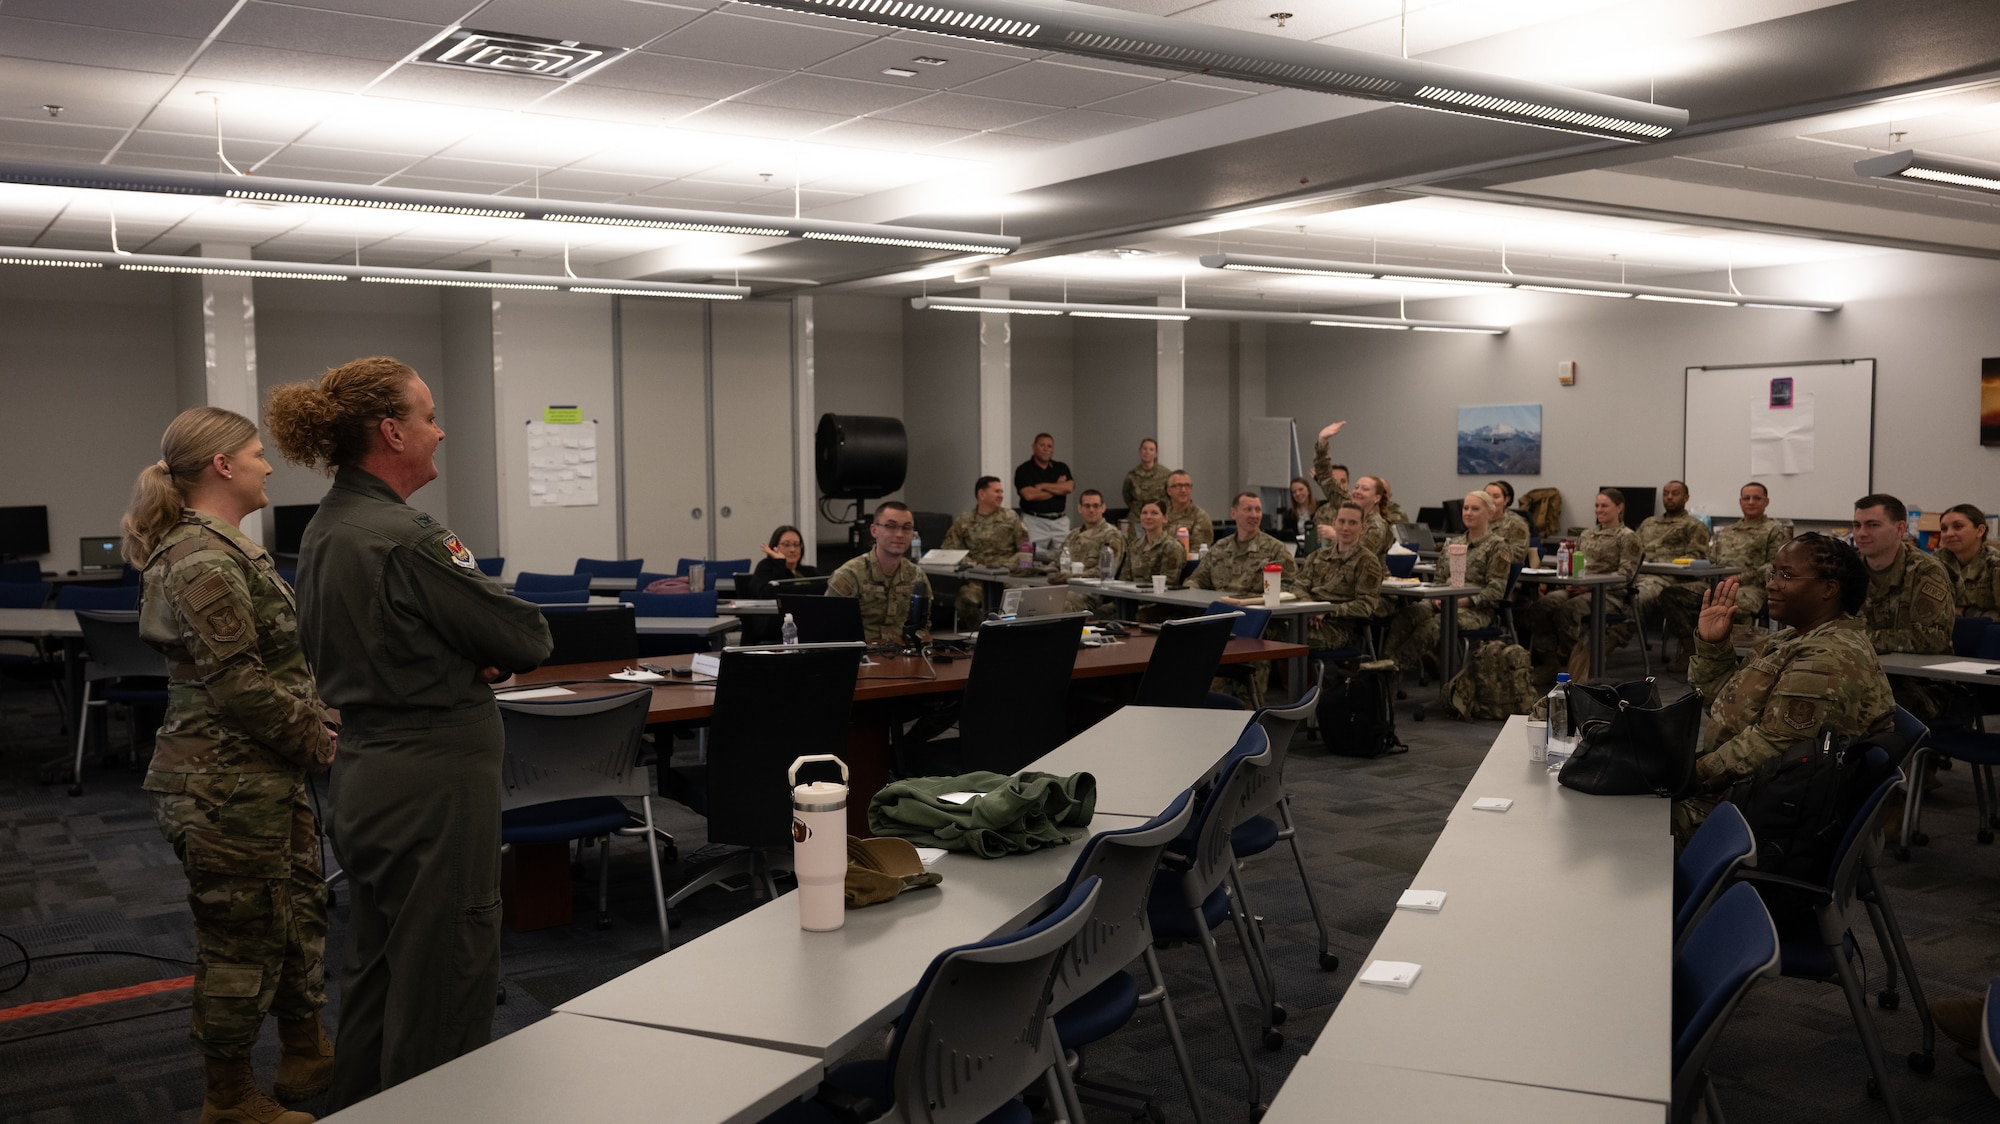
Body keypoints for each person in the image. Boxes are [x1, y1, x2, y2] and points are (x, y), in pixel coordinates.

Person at [267, 356, 553, 1110]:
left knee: (378, 973)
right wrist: (471, 656)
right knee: (444, 980)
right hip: (432, 784)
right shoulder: (406, 536)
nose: (440, 430)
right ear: (392, 432)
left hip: (364, 771)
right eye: (427, 417)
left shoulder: (328, 526)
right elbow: (526, 637)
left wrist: (456, 652)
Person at [124, 408, 336, 1124]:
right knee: (241, 942)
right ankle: (230, 1097)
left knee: (298, 914)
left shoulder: (229, 548)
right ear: (222, 467)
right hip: (222, 785)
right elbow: (241, 686)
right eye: (255, 453)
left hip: (263, 775)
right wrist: (321, 742)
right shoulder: (203, 559)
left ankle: (305, 1048)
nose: (267, 465)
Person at [1675, 536, 1895, 840]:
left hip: (1760, 809)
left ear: (1829, 589)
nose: (1772, 584)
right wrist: (1714, 646)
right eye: (1773, 574)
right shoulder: (1789, 639)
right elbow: (1724, 702)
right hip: (1742, 787)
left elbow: (1771, 747)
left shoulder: (1827, 658)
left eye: (1787, 576)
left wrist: (1686, 776)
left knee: (1633, 824)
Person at [1384, 491, 1512, 677]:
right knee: (1408, 614)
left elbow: (1495, 590)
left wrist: (1459, 602)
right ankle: (1384, 663)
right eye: (1465, 508)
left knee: (1435, 625)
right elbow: (1438, 580)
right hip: (1441, 601)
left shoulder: (1498, 546)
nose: (1468, 512)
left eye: (1475, 509)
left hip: (1475, 610)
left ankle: (1393, 669)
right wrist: (1437, 598)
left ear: (1489, 513)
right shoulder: (1453, 543)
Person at [1851, 493, 1954, 721]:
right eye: (1857, 525)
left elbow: (1931, 639)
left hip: (1924, 682)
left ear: (1899, 529)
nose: (1861, 533)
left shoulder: (1927, 571)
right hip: (1864, 672)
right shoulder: (1848, 569)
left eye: (1872, 525)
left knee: (1871, 710)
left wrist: (1861, 638)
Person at [1186, 491, 1296, 705]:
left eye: (1258, 510)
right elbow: (1196, 579)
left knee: (1256, 648)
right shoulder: (1220, 548)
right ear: (1234, 513)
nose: (1254, 515)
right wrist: (1196, 595)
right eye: (1248, 509)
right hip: (1221, 620)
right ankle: (1207, 707)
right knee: (1200, 647)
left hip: (1258, 624)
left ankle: (1249, 709)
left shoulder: (1274, 548)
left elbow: (1293, 585)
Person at [1524, 488, 1641, 682]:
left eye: (1605, 506)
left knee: (1568, 610)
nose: (1599, 510)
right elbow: (1575, 564)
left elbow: (1625, 575)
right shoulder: (1587, 534)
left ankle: (1576, 663)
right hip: (1578, 587)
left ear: (1619, 508)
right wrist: (1570, 581)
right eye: (1597, 505)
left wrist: (1589, 586)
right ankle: (1551, 662)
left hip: (1608, 594)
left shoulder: (1627, 537)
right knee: (1540, 607)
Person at [826, 501, 933, 643]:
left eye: (907, 528)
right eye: (891, 526)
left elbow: (923, 626)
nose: (900, 534)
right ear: (874, 530)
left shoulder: (917, 576)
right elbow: (831, 628)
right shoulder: (849, 575)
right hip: (861, 656)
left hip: (905, 653)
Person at [1633, 480, 1711, 666]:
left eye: (1674, 493)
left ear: (1686, 498)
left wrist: (1659, 562)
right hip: (1638, 575)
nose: (1669, 497)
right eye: (1666, 493)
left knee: (1636, 599)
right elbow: (1633, 549)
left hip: (1668, 577)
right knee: (1609, 595)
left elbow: (1695, 557)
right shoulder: (1649, 522)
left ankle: (1603, 647)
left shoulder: (1693, 525)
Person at [1294, 502, 1386, 651]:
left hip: (1340, 627)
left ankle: (1306, 674)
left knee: (1291, 641)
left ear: (1362, 528)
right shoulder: (1318, 555)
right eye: (1341, 521)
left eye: (1352, 523)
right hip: (1307, 618)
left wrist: (1328, 610)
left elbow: (1366, 605)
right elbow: (1297, 586)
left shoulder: (1367, 561)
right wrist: (1311, 608)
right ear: (1333, 523)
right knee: (1269, 633)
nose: (1345, 528)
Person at [941, 475, 1030, 629]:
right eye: (997, 491)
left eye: (1002, 491)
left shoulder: (1011, 517)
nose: (1001, 495)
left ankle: (1015, 635)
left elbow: (1026, 550)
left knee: (1026, 600)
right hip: (978, 578)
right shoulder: (965, 520)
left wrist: (1015, 567)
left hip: (1008, 575)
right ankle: (982, 633)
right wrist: (969, 563)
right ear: (982, 494)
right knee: (964, 601)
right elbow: (948, 549)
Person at [1711, 481, 1792, 633]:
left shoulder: (1774, 530)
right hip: (1718, 583)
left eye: (1757, 498)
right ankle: (1694, 647)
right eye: (1746, 498)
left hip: (1753, 587)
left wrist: (1740, 578)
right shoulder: (1727, 530)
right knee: (1678, 595)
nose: (1751, 502)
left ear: (1766, 501)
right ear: (1740, 502)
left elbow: (1775, 566)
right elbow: (1712, 560)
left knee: (1732, 602)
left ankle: (1735, 651)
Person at [1048, 489, 1123, 615]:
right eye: (1087, 506)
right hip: (1064, 588)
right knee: (1035, 600)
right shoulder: (1073, 534)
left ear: (1103, 508)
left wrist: (1070, 577)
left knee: (1061, 603)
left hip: (1092, 593)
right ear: (1080, 508)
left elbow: (1105, 571)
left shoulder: (1111, 535)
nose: (1091, 510)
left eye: (1096, 506)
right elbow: (1056, 561)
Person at [1937, 503, 2000, 624]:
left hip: (1988, 636)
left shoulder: (1994, 565)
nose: (1949, 533)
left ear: (1980, 531)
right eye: (1944, 529)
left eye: (1958, 526)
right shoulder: (1934, 563)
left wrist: (1966, 612)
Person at [1013, 432, 1073, 553]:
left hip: (1060, 522)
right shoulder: (1023, 470)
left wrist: (1042, 486)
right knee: (1031, 559)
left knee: (1064, 557)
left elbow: (1069, 488)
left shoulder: (1061, 467)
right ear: (1034, 447)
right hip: (1034, 522)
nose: (1046, 449)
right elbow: (1029, 495)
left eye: (1049, 446)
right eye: (1042, 445)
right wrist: (1057, 488)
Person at [1118, 499, 1187, 589]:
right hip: (1132, 598)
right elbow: (1124, 579)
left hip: (1155, 599)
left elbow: (1168, 584)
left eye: (1154, 513)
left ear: (1165, 518)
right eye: (1144, 513)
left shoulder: (1171, 546)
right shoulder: (1135, 545)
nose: (1148, 517)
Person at [747, 524, 817, 597]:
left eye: (796, 545)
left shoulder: (810, 571)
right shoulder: (765, 567)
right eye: (786, 545)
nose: (792, 550)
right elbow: (768, 595)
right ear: (775, 547)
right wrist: (780, 563)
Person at [1309, 420, 1351, 527]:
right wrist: (1322, 441)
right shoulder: (1322, 512)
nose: (1338, 485)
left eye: (1343, 481)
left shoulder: (1356, 509)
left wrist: (1335, 535)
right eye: (1335, 482)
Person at [1162, 470, 1214, 551]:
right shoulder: (1162, 514)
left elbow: (1197, 552)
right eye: (1178, 486)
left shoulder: (1200, 517)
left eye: (1187, 486)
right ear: (1169, 491)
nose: (1183, 490)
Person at [1485, 479, 1531, 563]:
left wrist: (1487, 553)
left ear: (1506, 500)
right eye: (1487, 496)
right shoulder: (1478, 519)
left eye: (1496, 497)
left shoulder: (1516, 523)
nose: (1490, 500)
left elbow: (1517, 556)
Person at [1121, 437, 1170, 514]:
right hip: (1138, 515)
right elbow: (1127, 496)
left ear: (1156, 454)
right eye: (1144, 449)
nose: (1147, 452)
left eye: (1151, 450)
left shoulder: (1166, 474)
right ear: (1140, 451)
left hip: (1159, 515)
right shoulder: (1132, 475)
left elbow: (1172, 495)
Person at [1350, 474, 1395, 559]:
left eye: (1365, 489)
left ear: (1377, 498)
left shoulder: (1376, 526)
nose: (1357, 492)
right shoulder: (1354, 520)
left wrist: (1337, 537)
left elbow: (1360, 557)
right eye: (1356, 487)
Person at [1278, 476, 1318, 550]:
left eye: (1301, 490)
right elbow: (1287, 536)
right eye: (1294, 492)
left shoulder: (1320, 507)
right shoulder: (1288, 514)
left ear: (1308, 490)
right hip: (1297, 549)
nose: (1298, 494)